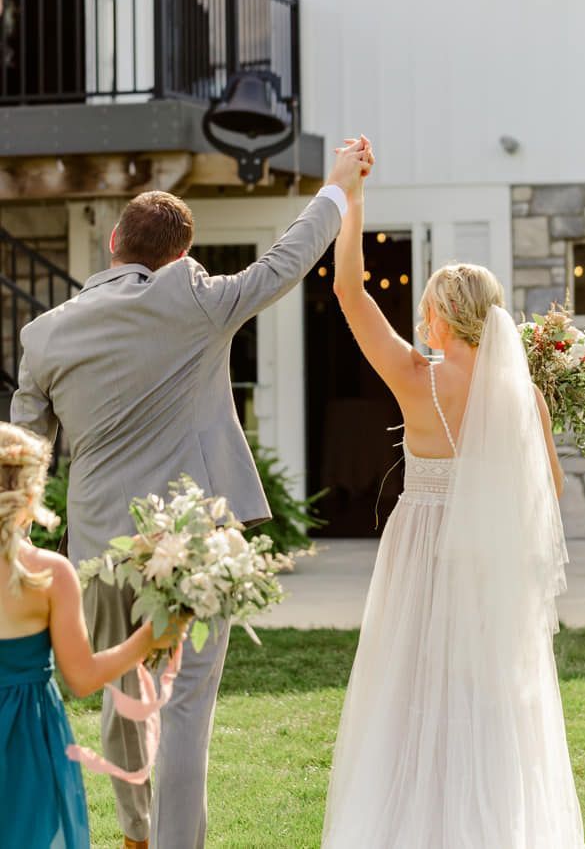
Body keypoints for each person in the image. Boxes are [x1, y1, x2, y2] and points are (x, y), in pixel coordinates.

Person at [10, 137, 372, 849]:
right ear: (180, 255)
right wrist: (336, 188)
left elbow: (23, 455)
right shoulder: (197, 298)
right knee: (184, 712)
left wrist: (13, 545)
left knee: (122, 702)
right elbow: (283, 264)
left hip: (98, 548)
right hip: (195, 547)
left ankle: (138, 835)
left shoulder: (44, 335)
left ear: (113, 242)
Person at [322, 156, 585, 847]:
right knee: (488, 689)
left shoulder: (416, 377)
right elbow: (551, 490)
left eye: (423, 309)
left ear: (439, 315)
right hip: (487, 550)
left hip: (421, 543)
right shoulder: (523, 395)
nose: (419, 319)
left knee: (411, 682)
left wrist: (352, 200)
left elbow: (350, 294)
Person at [0, 423, 184, 849]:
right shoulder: (48, 573)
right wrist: (149, 640)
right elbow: (81, 678)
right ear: (30, 493)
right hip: (27, 734)